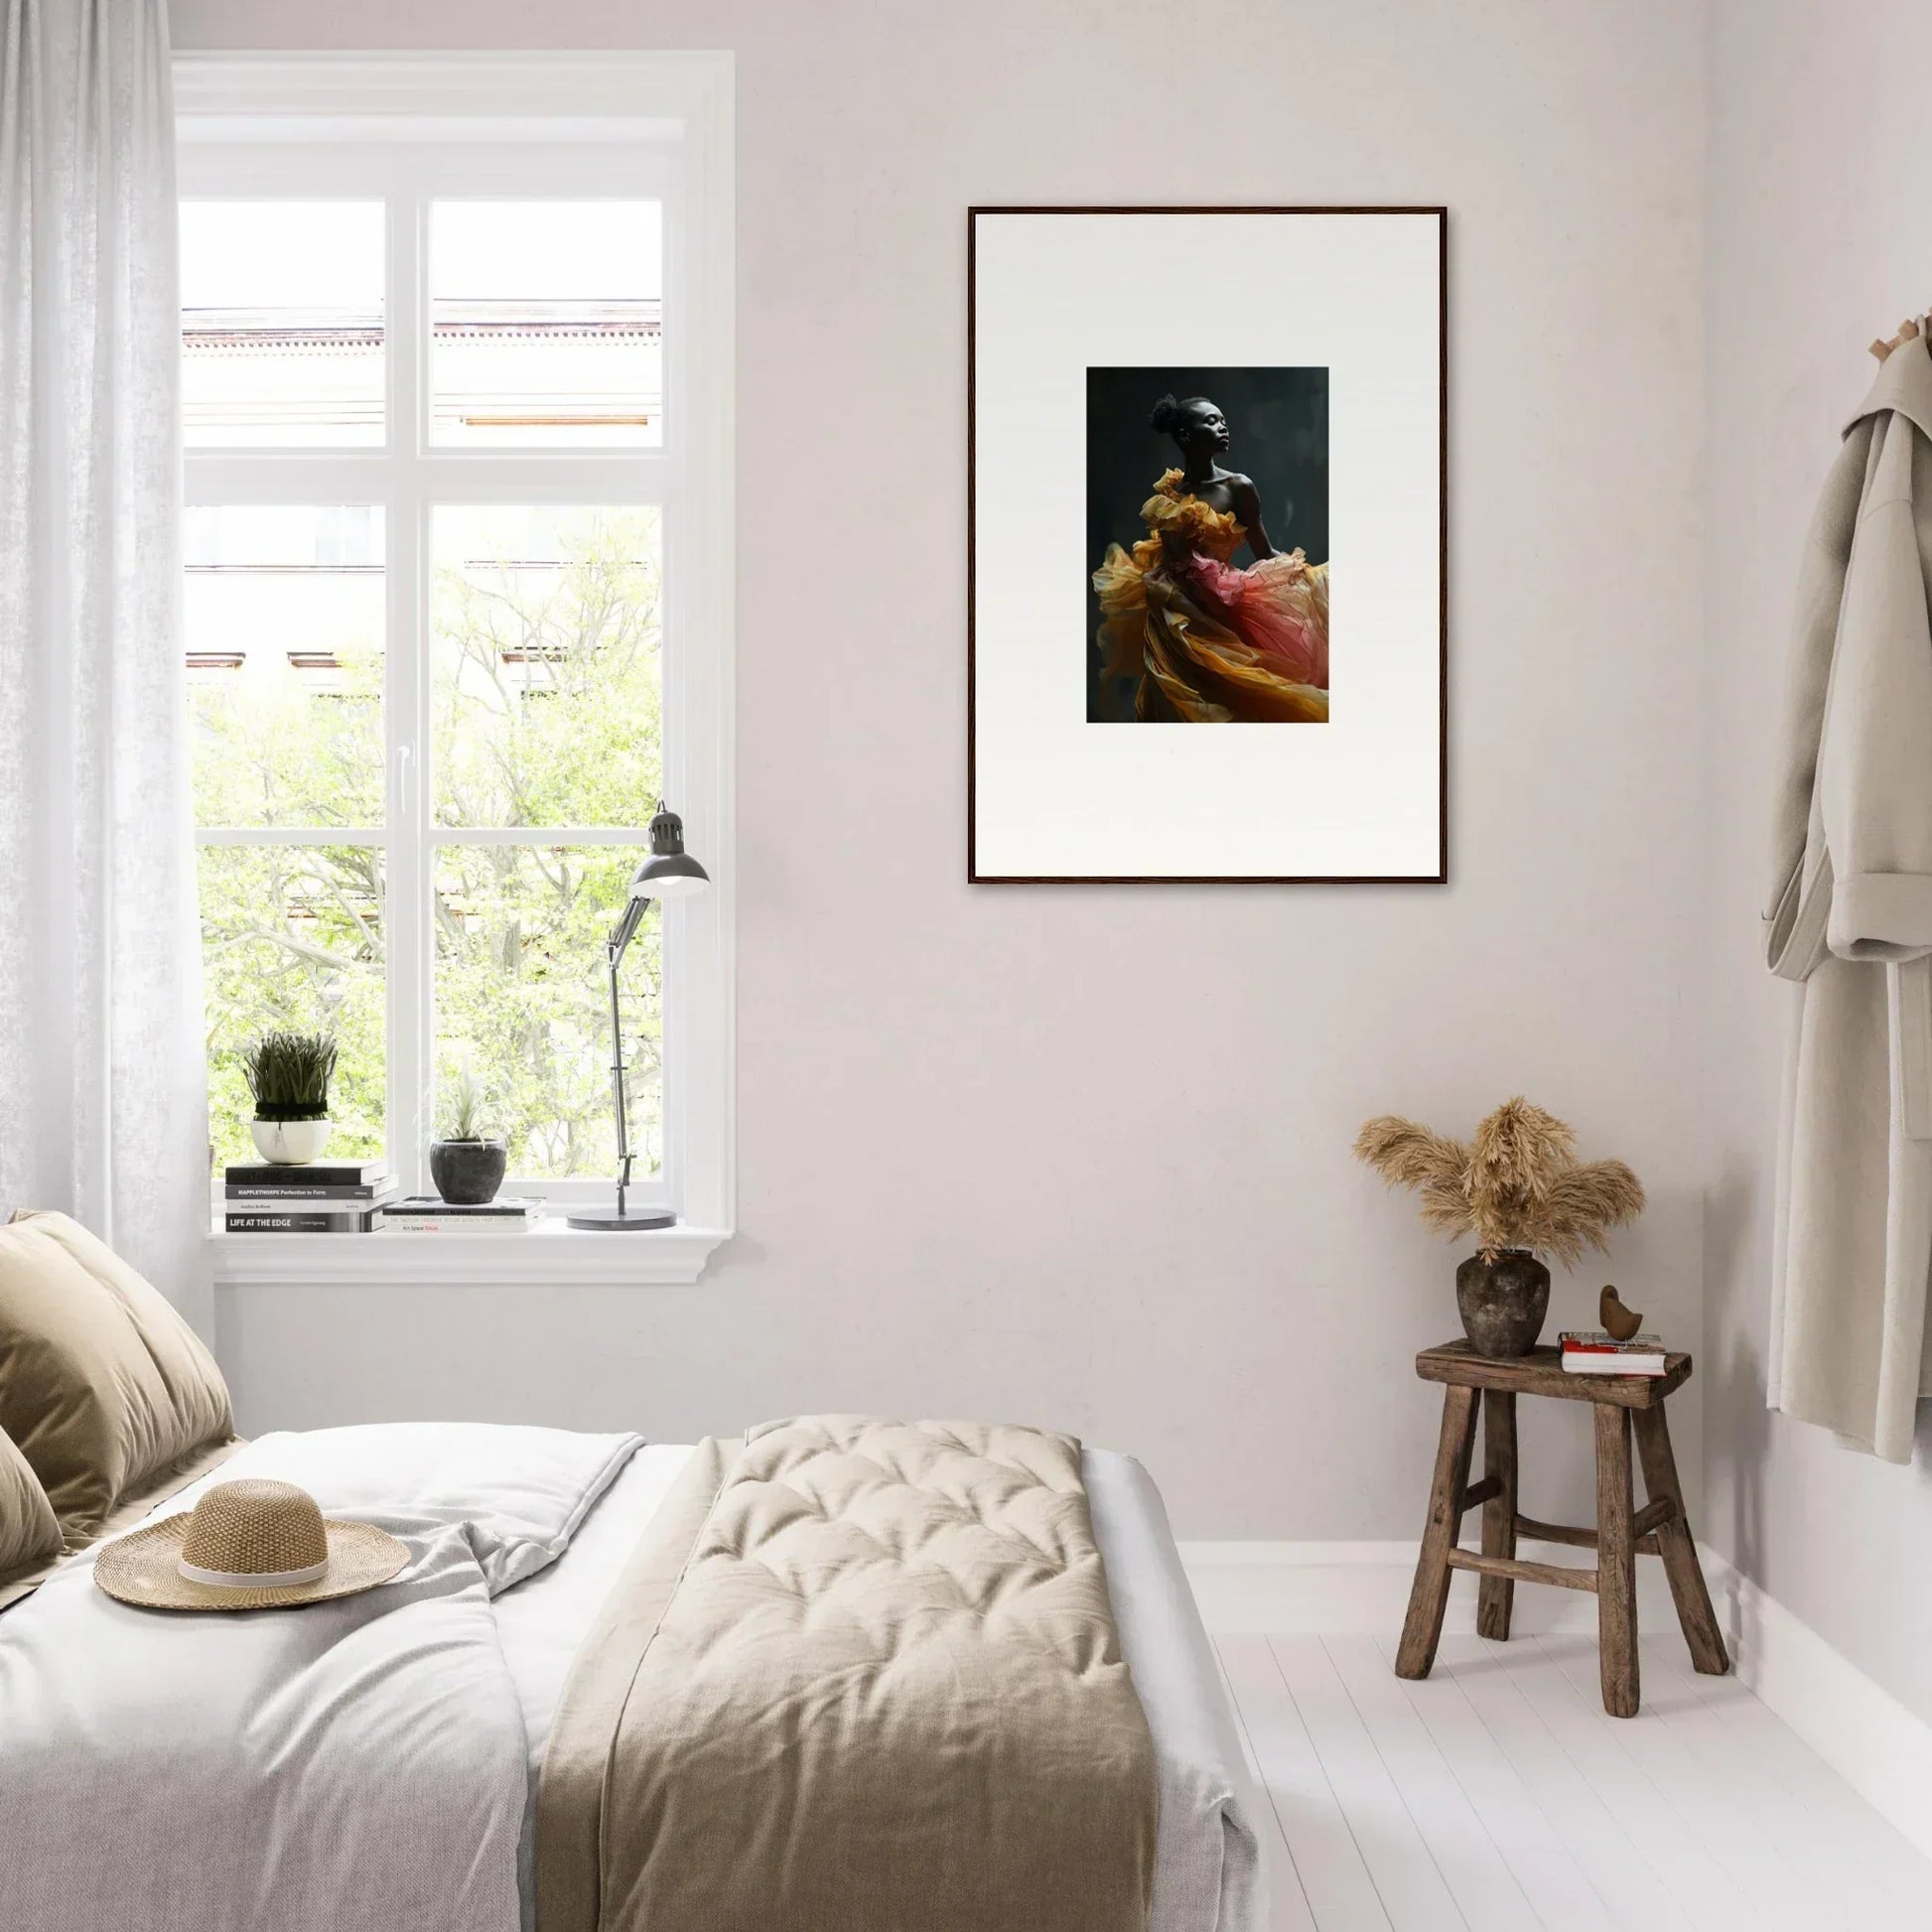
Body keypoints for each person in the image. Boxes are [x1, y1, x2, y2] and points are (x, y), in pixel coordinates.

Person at [1093, 392, 1328, 722]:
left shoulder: (1237, 487)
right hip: (1172, 611)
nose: (1223, 425)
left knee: (1230, 696)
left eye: (1223, 419)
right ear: (1186, 436)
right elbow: (1171, 551)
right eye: (1211, 421)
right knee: (1175, 699)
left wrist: (1308, 574)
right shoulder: (1170, 492)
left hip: (1218, 609)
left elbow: (1263, 550)